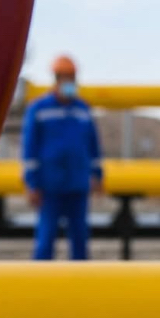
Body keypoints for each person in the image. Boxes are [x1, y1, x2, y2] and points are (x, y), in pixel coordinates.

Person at [21, 55, 104, 260]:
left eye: (73, 78)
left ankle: (79, 279)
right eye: (66, 77)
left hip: (78, 184)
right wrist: (32, 184)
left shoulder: (83, 110)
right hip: (49, 186)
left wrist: (97, 175)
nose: (70, 82)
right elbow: (29, 149)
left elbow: (93, 146)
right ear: (57, 79)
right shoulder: (39, 109)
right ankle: (41, 278)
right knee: (46, 240)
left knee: (80, 240)